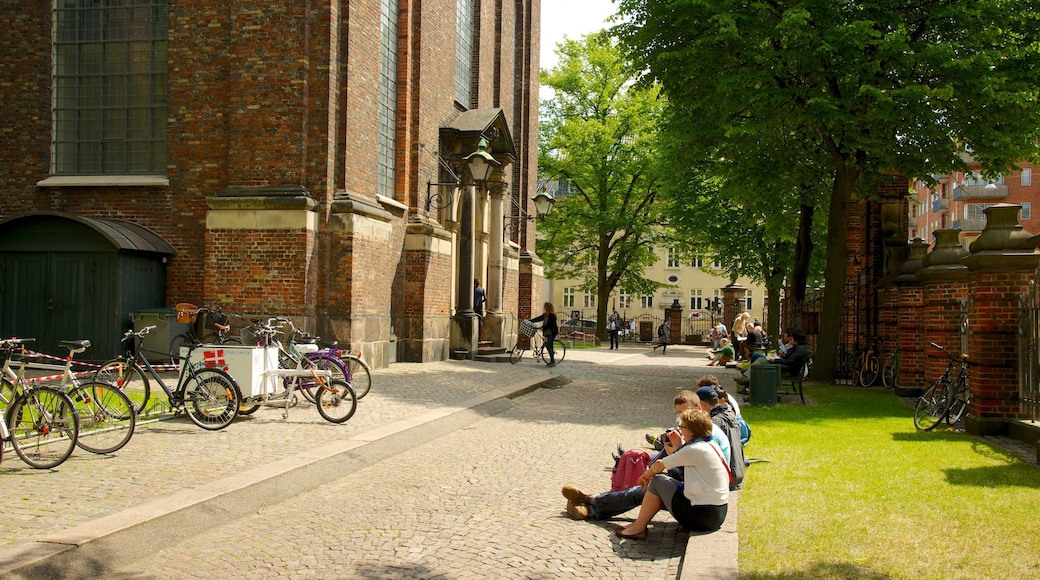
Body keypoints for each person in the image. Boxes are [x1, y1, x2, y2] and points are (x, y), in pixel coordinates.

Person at [615, 408, 730, 537]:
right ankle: (639, 523)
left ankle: (639, 527)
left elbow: (659, 465)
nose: (680, 430)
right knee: (664, 482)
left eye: (682, 427)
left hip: (702, 515)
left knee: (658, 481)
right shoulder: (710, 444)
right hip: (716, 513)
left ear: (691, 430)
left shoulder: (695, 449)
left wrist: (645, 476)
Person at [696, 380, 745, 490]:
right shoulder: (728, 413)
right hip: (737, 474)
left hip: (727, 479)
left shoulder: (714, 421)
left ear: (702, 404)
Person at [529, 302, 559, 367]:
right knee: (550, 346)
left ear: (548, 307)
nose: (544, 308)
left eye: (545, 307)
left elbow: (549, 324)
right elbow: (539, 318)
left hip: (552, 332)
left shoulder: (552, 315)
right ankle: (551, 357)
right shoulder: (545, 315)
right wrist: (530, 321)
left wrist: (542, 327)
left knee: (548, 346)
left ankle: (552, 361)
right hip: (547, 332)